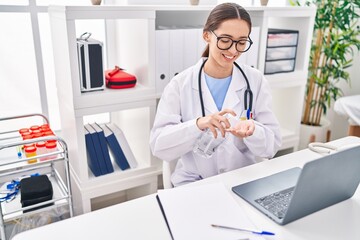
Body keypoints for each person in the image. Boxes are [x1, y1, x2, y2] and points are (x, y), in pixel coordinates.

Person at [150, 3, 281, 187]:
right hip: (194, 184)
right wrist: (197, 125)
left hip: (242, 181)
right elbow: (159, 146)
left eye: (241, 42)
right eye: (225, 40)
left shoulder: (255, 81)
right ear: (207, 35)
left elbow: (271, 146)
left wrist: (253, 131)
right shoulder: (180, 85)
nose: (234, 50)